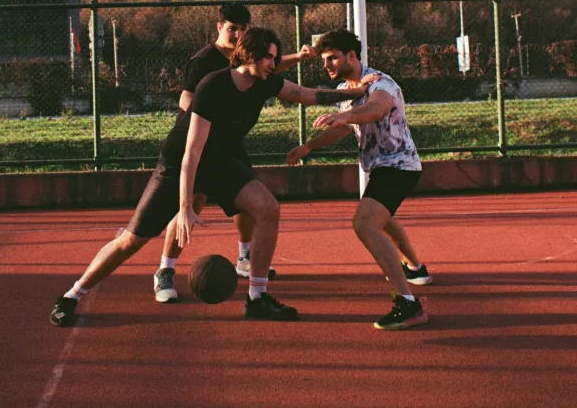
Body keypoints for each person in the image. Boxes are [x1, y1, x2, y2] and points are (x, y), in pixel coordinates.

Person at [50, 28, 371, 327]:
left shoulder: (266, 82)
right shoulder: (213, 85)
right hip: (178, 163)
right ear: (248, 54)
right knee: (130, 241)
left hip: (219, 162)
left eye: (275, 58)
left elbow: (309, 95)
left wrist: (357, 92)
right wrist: (185, 207)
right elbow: (192, 152)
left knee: (268, 208)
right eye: (268, 57)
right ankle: (72, 295)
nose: (273, 64)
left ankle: (257, 298)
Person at [152, 3, 316, 303]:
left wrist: (299, 57)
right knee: (193, 204)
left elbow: (271, 68)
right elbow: (187, 97)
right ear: (219, 27)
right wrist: (208, 115)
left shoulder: (252, 57)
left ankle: (244, 256)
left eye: (243, 29)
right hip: (202, 141)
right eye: (232, 29)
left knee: (249, 201)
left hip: (230, 141)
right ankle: (165, 270)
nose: (238, 34)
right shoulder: (204, 61)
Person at [285, 29, 432, 331]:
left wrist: (346, 116)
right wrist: (309, 146)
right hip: (380, 168)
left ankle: (408, 303)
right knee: (384, 221)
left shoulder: (380, 82)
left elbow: (376, 109)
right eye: (324, 60)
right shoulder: (344, 89)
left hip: (399, 165)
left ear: (351, 56)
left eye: (332, 58)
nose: (326, 65)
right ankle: (417, 269)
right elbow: (341, 128)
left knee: (364, 223)